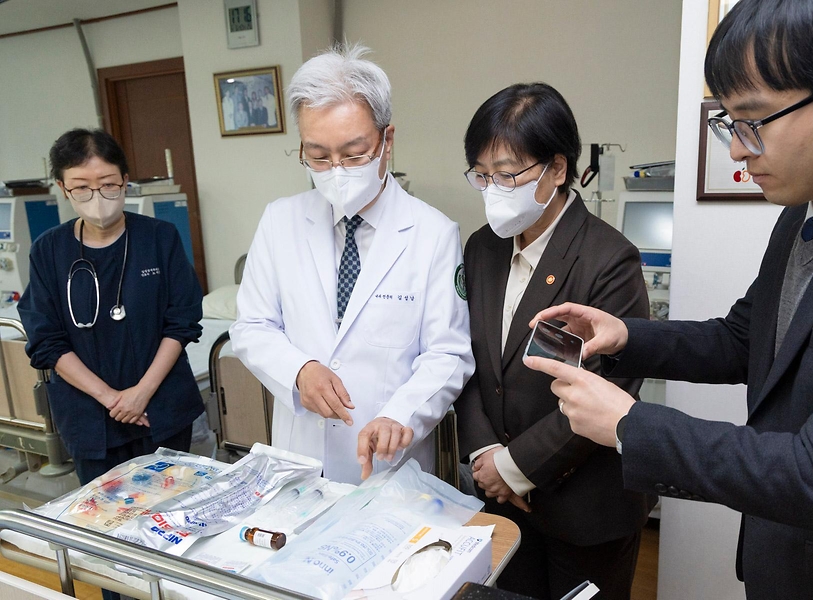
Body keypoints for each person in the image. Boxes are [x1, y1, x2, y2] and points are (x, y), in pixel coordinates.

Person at [526, 1, 813, 598]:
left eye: (753, 121)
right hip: (782, 560)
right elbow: (743, 338)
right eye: (729, 124)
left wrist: (630, 425)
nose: (736, 151)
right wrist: (626, 336)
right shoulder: (810, 206)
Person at [231, 44, 474, 485]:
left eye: (354, 153)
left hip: (387, 463)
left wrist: (402, 414)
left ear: (387, 141)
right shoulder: (280, 220)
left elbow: (448, 354)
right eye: (318, 156)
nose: (337, 170)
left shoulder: (433, 234)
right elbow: (251, 326)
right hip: (300, 457)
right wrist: (298, 370)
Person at [455, 82, 655, 600]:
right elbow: (465, 357)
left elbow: (609, 387)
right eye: (482, 175)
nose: (493, 189)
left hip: (585, 505)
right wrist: (485, 454)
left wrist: (514, 467)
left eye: (508, 174)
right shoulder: (481, 249)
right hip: (500, 500)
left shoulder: (608, 259)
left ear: (557, 169)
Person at [19, 129, 203, 487]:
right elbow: (46, 340)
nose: (97, 197)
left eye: (107, 184)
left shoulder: (159, 237)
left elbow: (182, 321)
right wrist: (113, 400)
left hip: (161, 407)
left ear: (125, 181)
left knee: (174, 506)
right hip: (90, 418)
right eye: (81, 187)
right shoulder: (48, 250)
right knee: (106, 512)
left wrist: (141, 393)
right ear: (63, 188)